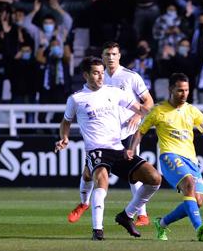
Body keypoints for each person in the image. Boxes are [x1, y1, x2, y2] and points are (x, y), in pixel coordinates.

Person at [55, 57, 162, 241]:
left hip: (118, 148)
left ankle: (127, 215)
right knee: (101, 178)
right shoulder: (76, 99)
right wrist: (64, 137)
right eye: (95, 73)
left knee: (154, 178)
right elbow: (66, 122)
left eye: (101, 72)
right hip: (96, 149)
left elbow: (141, 108)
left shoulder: (114, 92)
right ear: (85, 75)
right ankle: (98, 230)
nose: (100, 76)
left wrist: (155, 115)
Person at [128, 73, 203, 242]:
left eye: (187, 90)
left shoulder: (191, 110)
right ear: (171, 90)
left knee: (198, 201)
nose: (184, 94)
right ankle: (199, 228)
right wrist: (131, 150)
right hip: (169, 156)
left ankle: (162, 223)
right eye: (180, 90)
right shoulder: (158, 111)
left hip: (191, 160)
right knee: (189, 183)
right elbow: (140, 131)